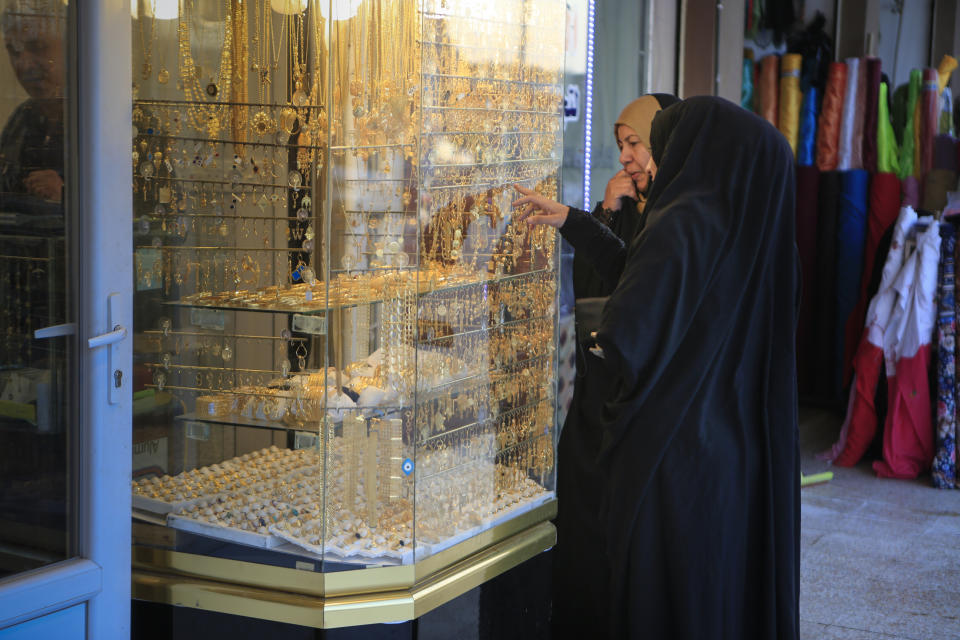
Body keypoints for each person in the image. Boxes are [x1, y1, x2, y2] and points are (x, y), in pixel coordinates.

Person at [515, 96, 800, 638]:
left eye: (648, 144)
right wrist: (581, 221)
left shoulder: (681, 219)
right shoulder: (758, 236)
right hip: (735, 449)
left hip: (671, 451)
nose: (640, 158)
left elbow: (631, 327)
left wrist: (600, 335)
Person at [574, 93, 679, 299]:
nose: (623, 158)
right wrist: (607, 211)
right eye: (621, 146)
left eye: (633, 143)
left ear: (664, 142)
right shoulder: (623, 205)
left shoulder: (689, 211)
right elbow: (586, 290)